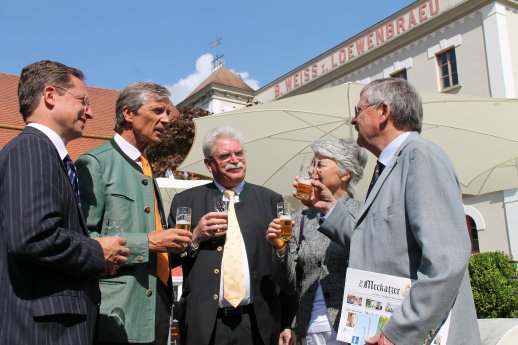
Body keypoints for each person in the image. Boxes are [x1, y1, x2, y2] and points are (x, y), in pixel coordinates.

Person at [302, 78, 480, 345]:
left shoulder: (421, 156)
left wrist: (400, 331)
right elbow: (373, 244)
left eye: (358, 110)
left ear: (383, 112)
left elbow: (446, 260)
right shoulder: (388, 165)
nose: (353, 121)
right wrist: (329, 207)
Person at [0, 60, 129, 345]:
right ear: (49, 95)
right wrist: (97, 252)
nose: (92, 112)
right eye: (83, 100)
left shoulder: (43, 153)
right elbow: (33, 236)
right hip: (44, 331)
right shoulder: (32, 148)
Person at [76, 82, 193, 345]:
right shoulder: (95, 163)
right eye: (158, 110)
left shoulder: (146, 166)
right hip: (119, 310)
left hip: (159, 301)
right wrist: (148, 243)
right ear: (128, 113)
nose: (166, 119)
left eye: (167, 112)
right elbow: (83, 239)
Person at [168, 125, 297, 345]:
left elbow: (288, 268)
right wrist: (196, 237)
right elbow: (170, 259)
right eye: (225, 156)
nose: (235, 160)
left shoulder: (271, 200)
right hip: (206, 324)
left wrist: (288, 321)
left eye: (239, 153)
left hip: (259, 323)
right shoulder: (186, 202)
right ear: (209, 164)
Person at [266, 138, 367, 345]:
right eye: (312, 163)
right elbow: (288, 285)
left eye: (320, 164)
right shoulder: (300, 220)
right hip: (309, 329)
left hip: (351, 327)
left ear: (346, 173)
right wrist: (281, 249)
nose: (312, 170)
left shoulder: (364, 214)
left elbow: (369, 256)